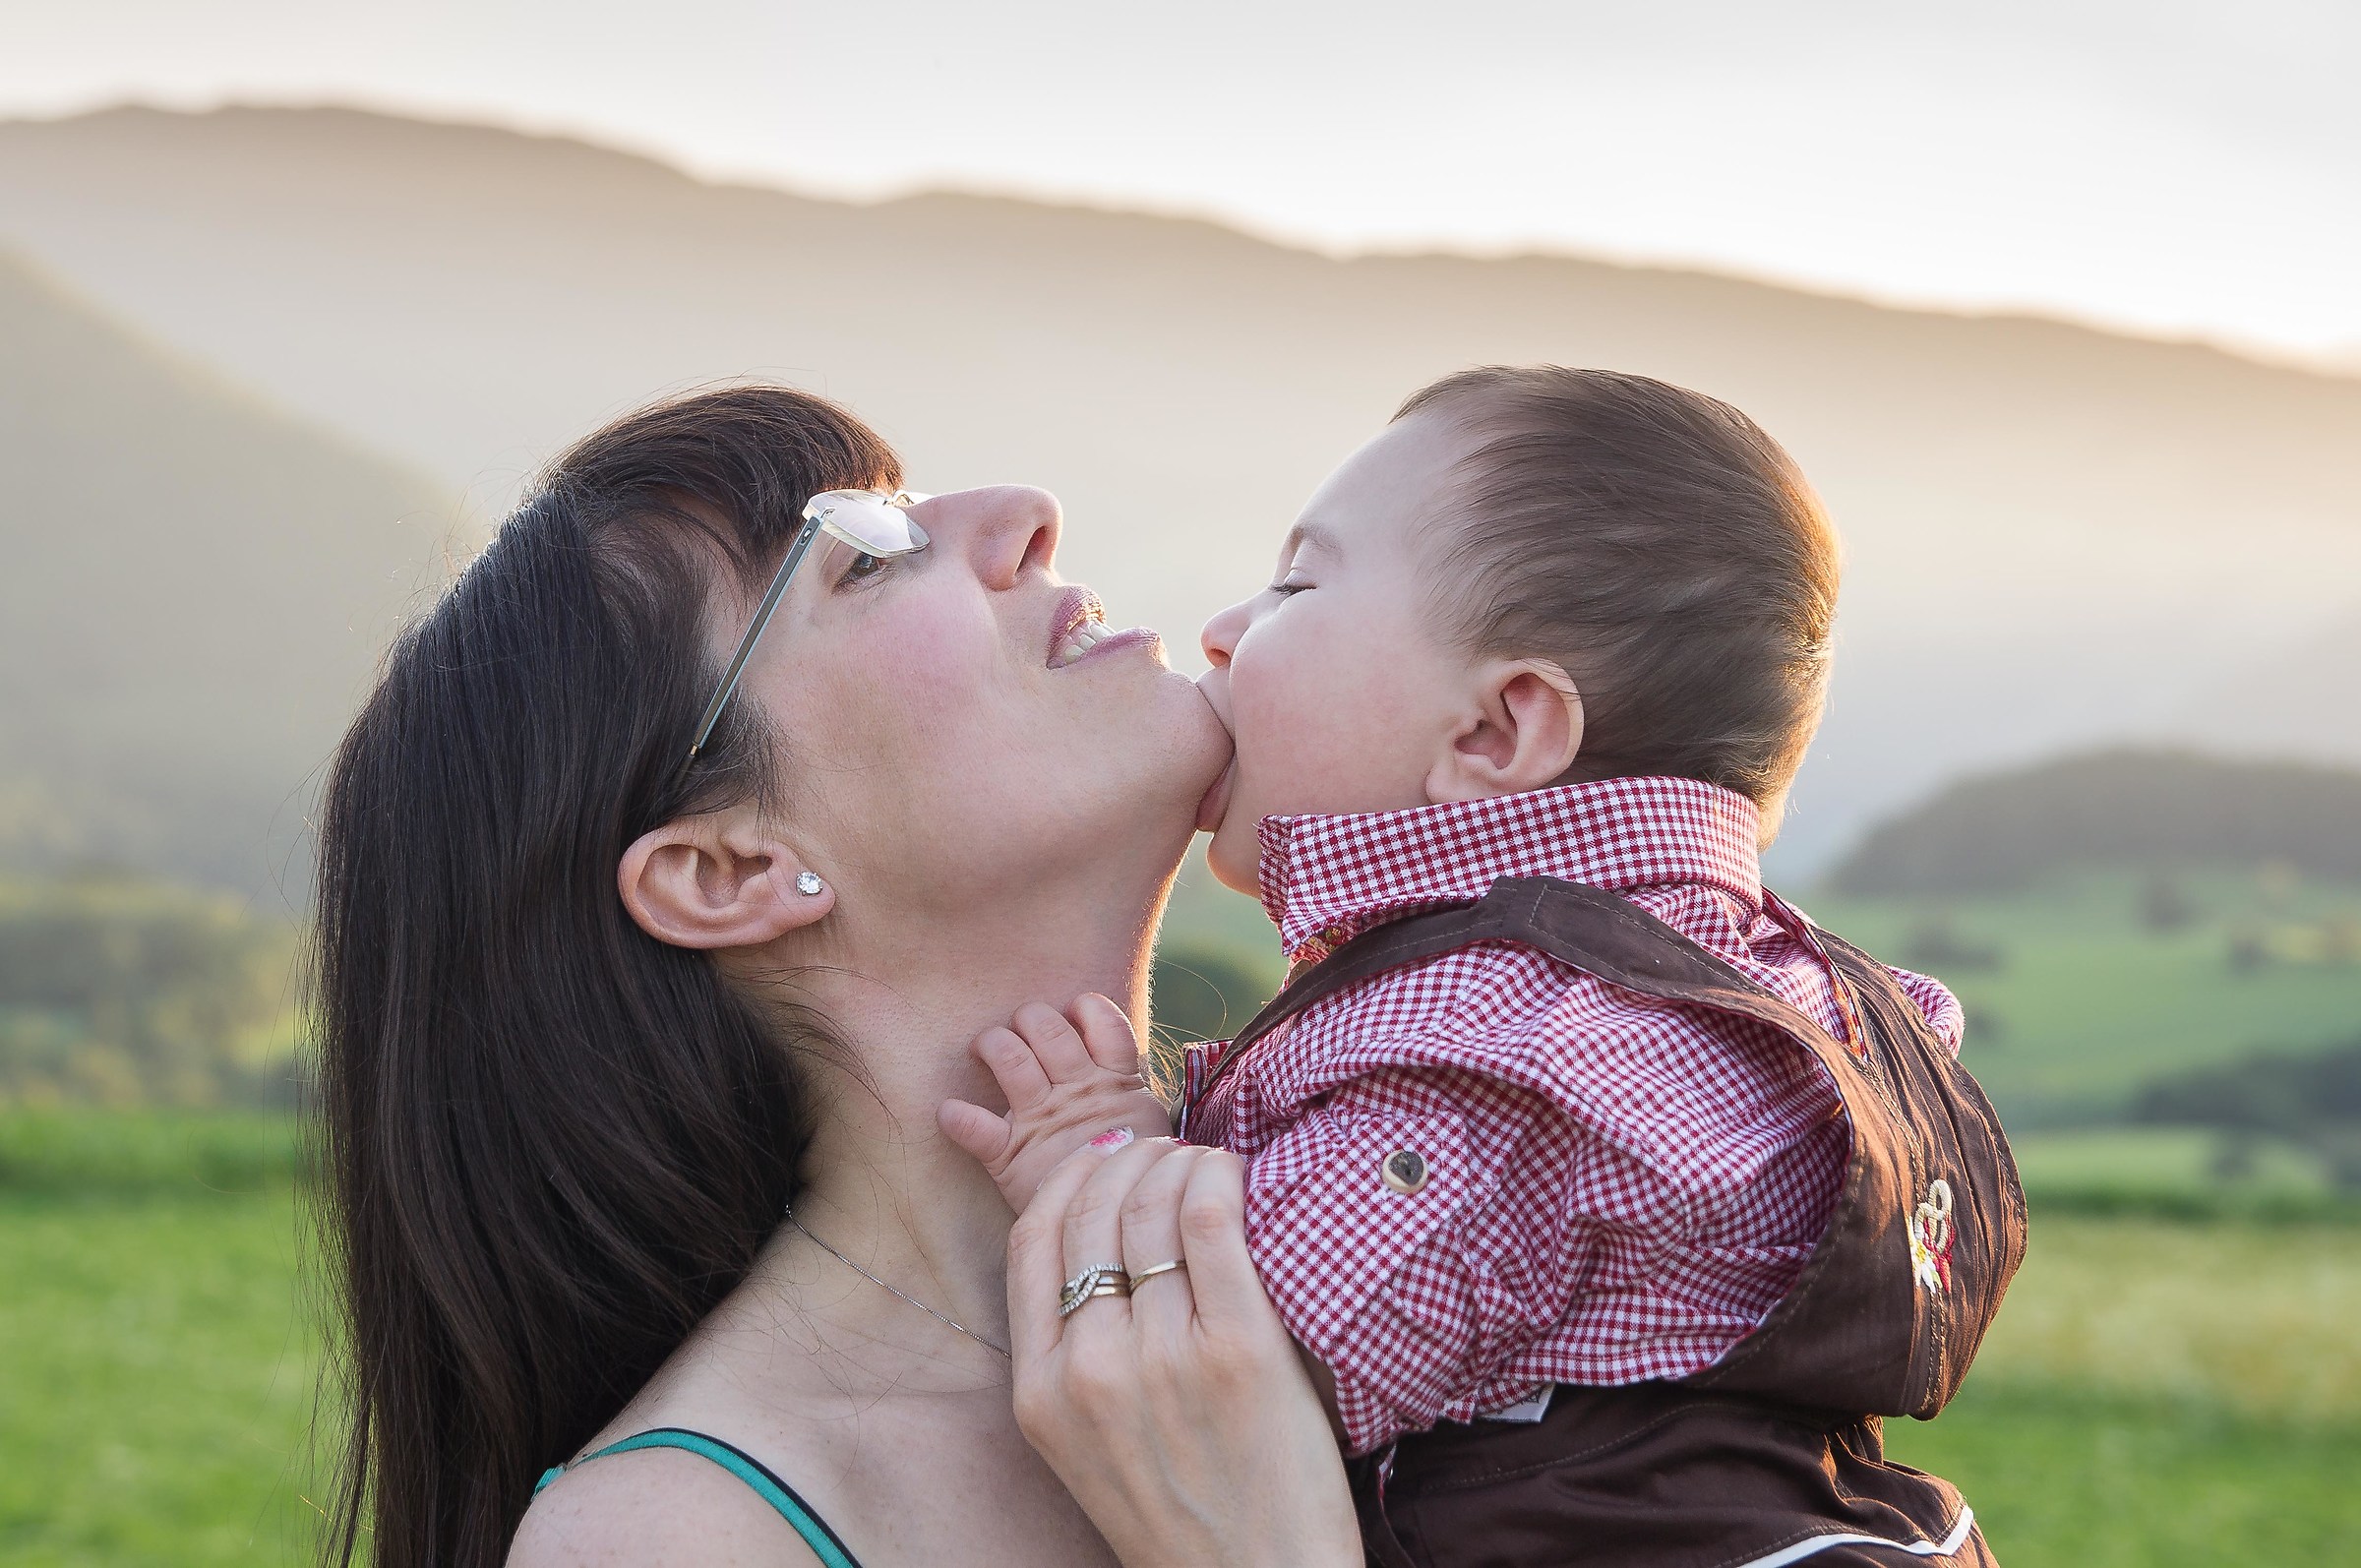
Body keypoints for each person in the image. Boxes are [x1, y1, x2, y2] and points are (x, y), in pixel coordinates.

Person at [943, 366, 2027, 1566]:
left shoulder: (1512, 1046)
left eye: (1298, 583)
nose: (1226, 631)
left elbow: (1241, 1367)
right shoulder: (1762, 990)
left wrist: (1101, 1159)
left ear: (1497, 730)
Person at [308, 386, 1358, 1568]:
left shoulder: (1383, 1223)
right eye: (864, 560)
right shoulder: (681, 1536)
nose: (1026, 513)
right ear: (730, 868)